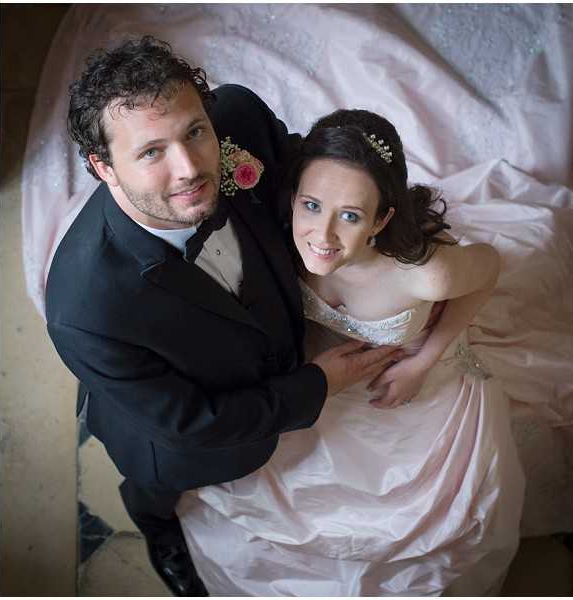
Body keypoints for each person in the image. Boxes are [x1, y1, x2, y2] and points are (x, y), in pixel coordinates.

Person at [45, 37, 404, 596]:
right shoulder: (85, 307)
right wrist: (319, 383)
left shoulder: (238, 117)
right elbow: (194, 423)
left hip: (267, 334)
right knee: (152, 484)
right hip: (178, 440)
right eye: (150, 152)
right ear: (103, 167)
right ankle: (155, 524)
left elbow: (302, 182)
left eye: (195, 132)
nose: (190, 168)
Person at [177, 110, 526, 596]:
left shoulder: (425, 273)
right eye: (312, 205)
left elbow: (489, 270)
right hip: (315, 379)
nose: (322, 237)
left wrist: (422, 362)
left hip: (406, 393)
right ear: (294, 197)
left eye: (351, 216)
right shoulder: (277, 236)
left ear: (383, 218)